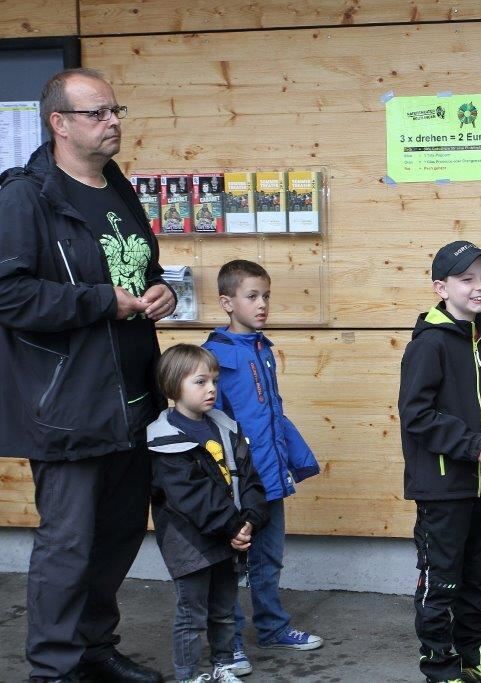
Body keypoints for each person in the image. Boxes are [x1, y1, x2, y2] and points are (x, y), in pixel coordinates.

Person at [0, 68, 176, 683]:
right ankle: (53, 668)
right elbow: (11, 296)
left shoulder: (116, 188)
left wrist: (160, 293)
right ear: (59, 123)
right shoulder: (25, 195)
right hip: (68, 402)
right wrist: (106, 301)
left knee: (121, 531)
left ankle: (94, 650)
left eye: (115, 109)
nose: (113, 121)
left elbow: (143, 269)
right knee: (69, 542)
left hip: (134, 395)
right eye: (97, 113)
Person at [202, 260, 322, 676]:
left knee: (268, 561)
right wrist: (222, 481)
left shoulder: (262, 348)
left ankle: (272, 627)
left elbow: (271, 415)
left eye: (266, 296)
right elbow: (211, 421)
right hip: (237, 485)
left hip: (270, 480)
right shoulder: (214, 354)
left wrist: (291, 462)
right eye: (252, 296)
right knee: (232, 568)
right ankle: (229, 644)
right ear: (226, 302)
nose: (262, 304)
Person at [398, 240, 481, 683]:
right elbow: (417, 415)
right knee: (441, 582)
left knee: (477, 580)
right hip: (442, 489)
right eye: (467, 279)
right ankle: (439, 666)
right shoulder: (428, 346)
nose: (480, 286)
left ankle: (472, 655)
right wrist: (471, 445)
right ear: (440, 288)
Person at [148, 345, 269, 683]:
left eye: (214, 381)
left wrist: (250, 520)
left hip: (229, 534)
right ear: (174, 385)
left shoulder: (225, 427)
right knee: (191, 613)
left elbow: (248, 478)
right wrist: (233, 525)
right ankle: (187, 676)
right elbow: (192, 496)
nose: (212, 389)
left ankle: (223, 666)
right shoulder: (165, 438)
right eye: (200, 381)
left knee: (224, 610)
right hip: (190, 542)